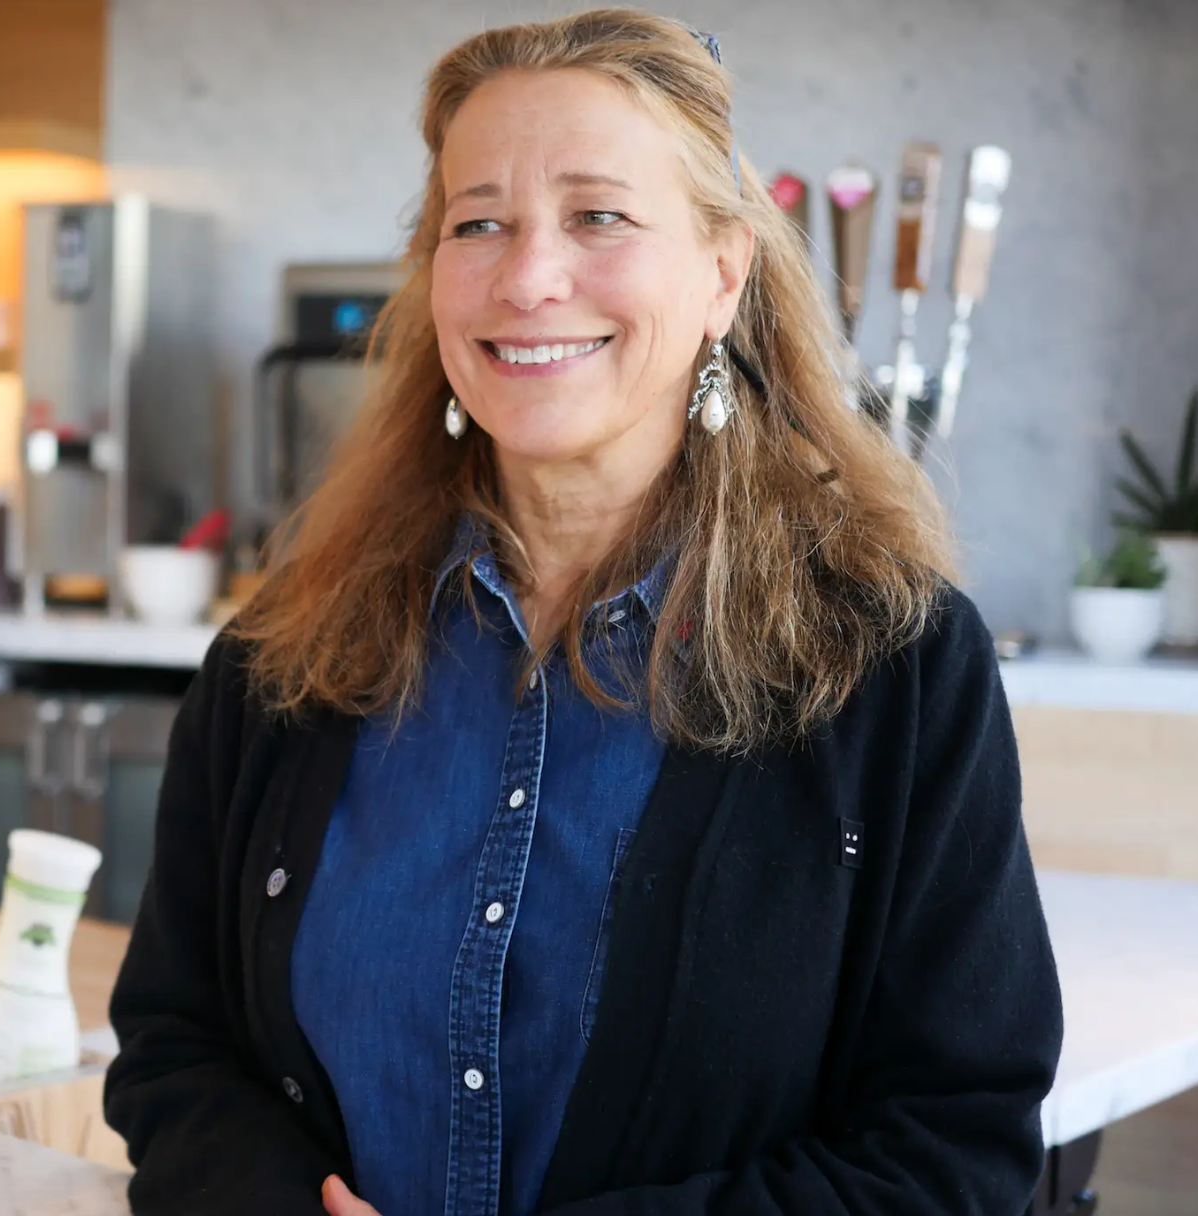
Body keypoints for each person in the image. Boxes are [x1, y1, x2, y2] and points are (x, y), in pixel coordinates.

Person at [103, 10, 1061, 1216]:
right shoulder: (284, 654)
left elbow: (949, 1142)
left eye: (598, 215)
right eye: (477, 222)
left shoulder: (893, 665)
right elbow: (173, 1044)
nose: (526, 275)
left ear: (722, 274)